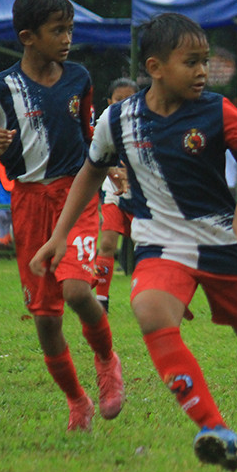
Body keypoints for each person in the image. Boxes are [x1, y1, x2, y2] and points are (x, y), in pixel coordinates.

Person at [29, 13, 237, 471]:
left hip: (222, 243)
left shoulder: (218, 112)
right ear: (155, 67)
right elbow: (90, 172)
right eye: (191, 62)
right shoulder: (119, 119)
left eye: (205, 61)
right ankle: (216, 430)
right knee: (150, 310)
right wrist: (59, 236)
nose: (202, 72)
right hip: (161, 244)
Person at [0, 0, 124, 432]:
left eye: (70, 29)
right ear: (28, 37)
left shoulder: (79, 78)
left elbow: (89, 134)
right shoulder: (0, 89)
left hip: (76, 195)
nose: (68, 38)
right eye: (58, 30)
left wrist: (108, 167)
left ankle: (107, 360)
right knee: (46, 320)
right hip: (29, 203)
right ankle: (77, 401)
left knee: (76, 290)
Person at [92, 78, 140, 312]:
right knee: (108, 243)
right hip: (114, 193)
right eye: (119, 99)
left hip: (141, 195)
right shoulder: (104, 124)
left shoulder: (147, 124)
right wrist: (112, 170)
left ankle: (146, 295)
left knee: (146, 247)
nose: (124, 104)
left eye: (130, 99)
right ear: (109, 101)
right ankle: (102, 299)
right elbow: (94, 155)